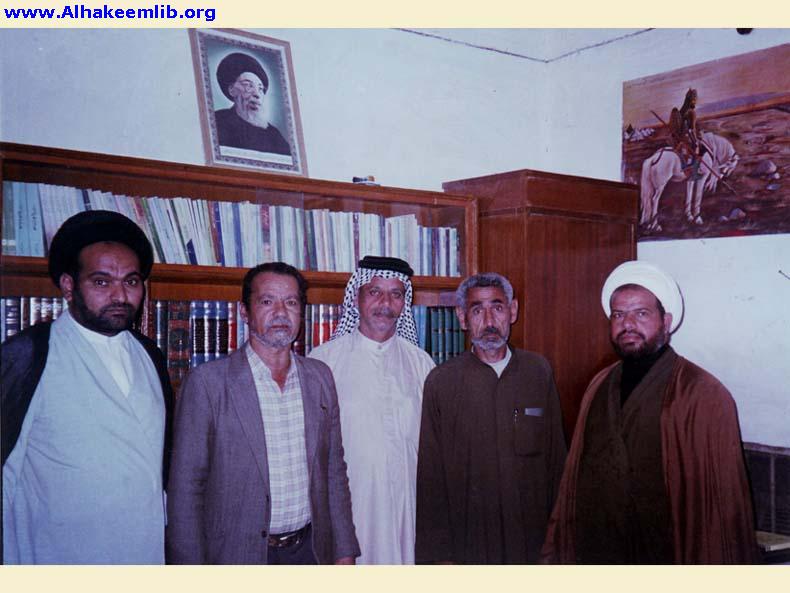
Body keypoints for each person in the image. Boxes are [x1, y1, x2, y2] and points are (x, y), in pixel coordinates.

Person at [542, 260, 758, 564]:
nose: (628, 324)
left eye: (641, 313)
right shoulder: (599, 384)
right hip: (599, 550)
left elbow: (719, 512)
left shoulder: (701, 393)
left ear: (666, 322)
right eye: (618, 314)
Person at [2, 210, 174, 564]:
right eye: (101, 282)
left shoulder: (150, 355)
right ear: (69, 286)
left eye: (131, 281)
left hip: (143, 554)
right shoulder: (27, 356)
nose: (120, 295)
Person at [166, 262, 359, 564]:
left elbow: (334, 471)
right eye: (267, 301)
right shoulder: (207, 384)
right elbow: (185, 489)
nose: (281, 312)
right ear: (244, 312)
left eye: (291, 302)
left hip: (309, 552)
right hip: (236, 556)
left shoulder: (320, 377)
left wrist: (344, 551)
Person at [415, 272, 567, 564]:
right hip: (469, 542)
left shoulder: (538, 372)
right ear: (462, 318)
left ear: (513, 311)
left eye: (497, 307)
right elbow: (431, 480)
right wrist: (440, 558)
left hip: (530, 540)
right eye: (477, 310)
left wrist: (556, 543)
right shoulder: (441, 383)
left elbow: (557, 464)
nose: (488, 321)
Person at [309, 256, 435, 564]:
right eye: (375, 292)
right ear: (356, 297)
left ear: (405, 303)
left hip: (408, 511)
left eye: (396, 294)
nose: (385, 303)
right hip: (351, 512)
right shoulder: (323, 362)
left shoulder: (422, 364)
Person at [214, 52, 292, 156]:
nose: (257, 94)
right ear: (232, 90)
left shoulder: (274, 135)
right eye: (248, 85)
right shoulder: (217, 121)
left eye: (260, 89)